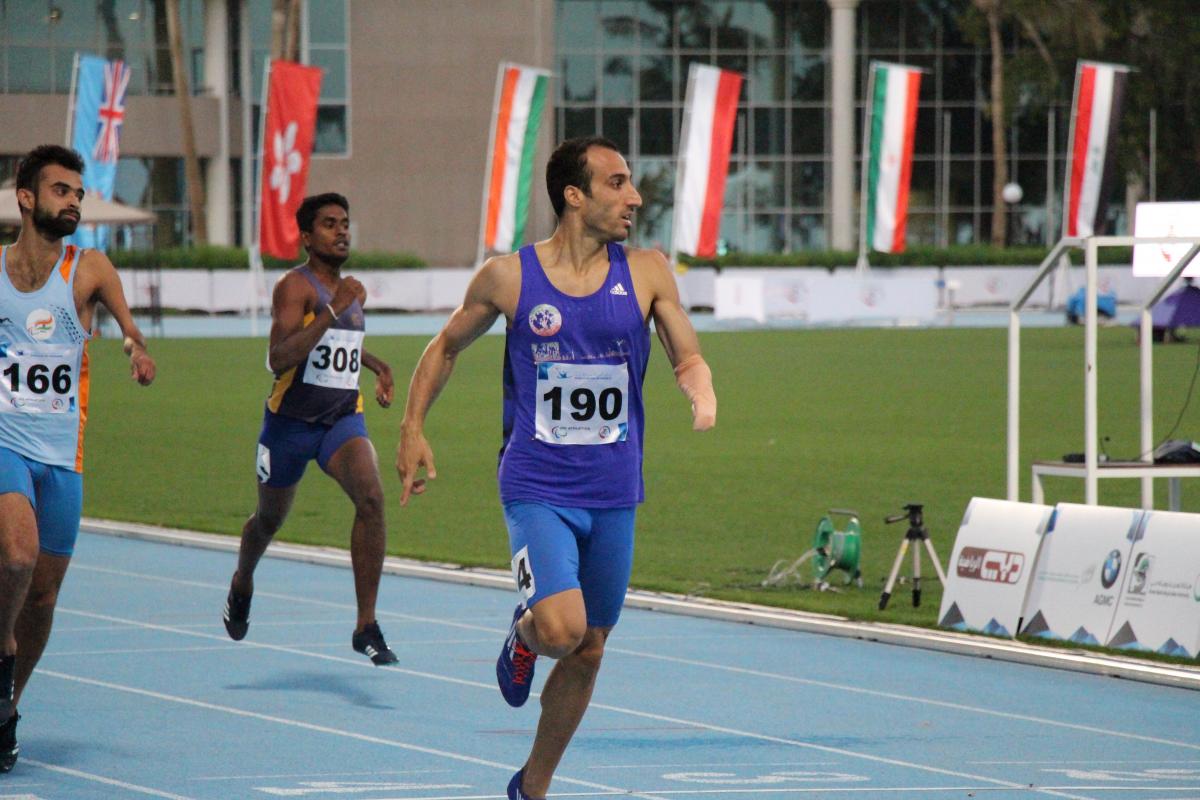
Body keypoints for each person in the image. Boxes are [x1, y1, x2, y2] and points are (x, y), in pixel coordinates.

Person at [395, 136, 716, 799]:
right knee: (561, 629)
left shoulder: (649, 270)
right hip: (536, 485)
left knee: (590, 646)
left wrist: (698, 384)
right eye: (618, 183)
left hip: (615, 489)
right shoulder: (509, 277)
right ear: (575, 195)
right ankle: (524, 634)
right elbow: (446, 346)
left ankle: (531, 788)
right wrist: (413, 426)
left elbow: (684, 346)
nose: (635, 197)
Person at [0, 145, 157, 772]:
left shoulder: (88, 268)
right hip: (5, 442)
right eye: (61, 190)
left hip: (63, 456)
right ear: (26, 198)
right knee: (16, 554)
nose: (73, 201)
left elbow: (128, 327)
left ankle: (8, 707)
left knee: (42, 598)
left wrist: (136, 349)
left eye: (78, 193)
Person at [222, 192, 399, 666]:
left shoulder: (348, 292)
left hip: (341, 419)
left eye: (345, 222)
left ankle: (366, 624)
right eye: (329, 224)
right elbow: (278, 357)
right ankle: (242, 580)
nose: (341, 231)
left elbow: (338, 346)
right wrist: (334, 310)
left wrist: (378, 366)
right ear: (306, 236)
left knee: (372, 498)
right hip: (289, 427)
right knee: (268, 522)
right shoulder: (295, 288)